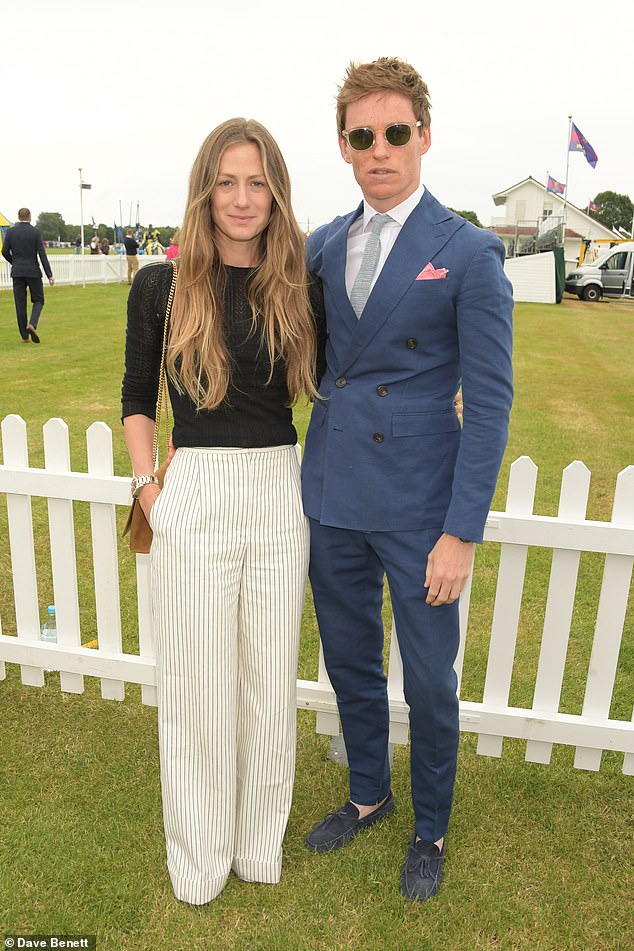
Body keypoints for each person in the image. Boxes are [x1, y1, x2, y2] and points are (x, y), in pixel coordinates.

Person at [302, 57, 514, 902]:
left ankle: (429, 825)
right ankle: (368, 793)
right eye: (363, 135)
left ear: (424, 136)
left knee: (428, 679)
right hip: (335, 492)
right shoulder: (320, 246)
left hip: (424, 508)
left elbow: (491, 403)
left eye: (395, 132)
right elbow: (302, 358)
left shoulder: (468, 251)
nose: (379, 149)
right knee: (350, 658)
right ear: (345, 145)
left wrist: (462, 530)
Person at [121, 117, 325, 905]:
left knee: (268, 684)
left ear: (276, 193)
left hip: (279, 488)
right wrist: (149, 487)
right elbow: (138, 399)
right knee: (199, 685)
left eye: (258, 182)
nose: (243, 199)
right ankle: (198, 857)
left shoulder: (299, 284)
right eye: (227, 181)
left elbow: (339, 378)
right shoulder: (161, 286)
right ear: (205, 190)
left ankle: (256, 846)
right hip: (195, 488)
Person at [1, 207, 55, 344]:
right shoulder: (35, 232)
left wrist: (14, 262)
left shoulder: (11, 232)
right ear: (30, 217)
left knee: (20, 304)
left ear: (19, 217)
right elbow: (42, 254)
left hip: (17, 272)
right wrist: (49, 275)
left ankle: (24, 337)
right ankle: (32, 324)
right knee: (38, 300)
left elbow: (4, 251)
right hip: (33, 271)